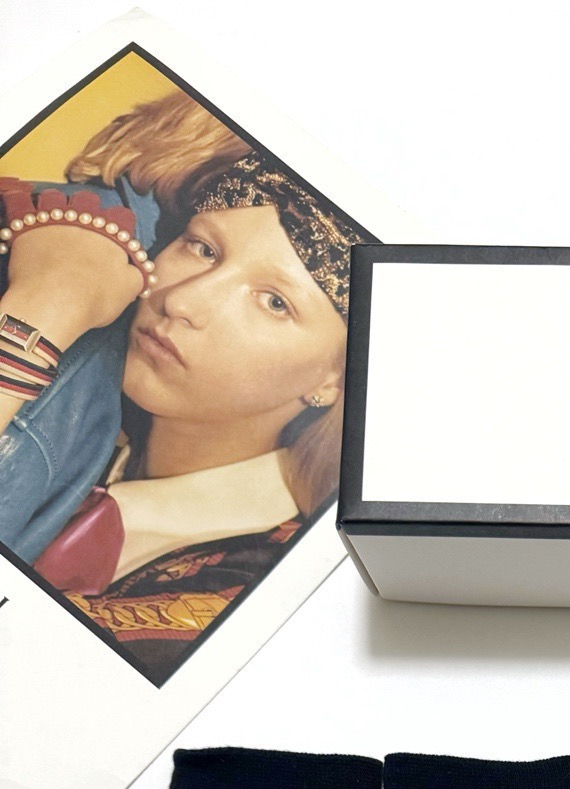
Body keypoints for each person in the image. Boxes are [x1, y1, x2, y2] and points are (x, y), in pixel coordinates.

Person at [0, 93, 362, 668]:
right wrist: (51, 297)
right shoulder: (85, 405)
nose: (184, 301)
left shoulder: (258, 590)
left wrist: (30, 330)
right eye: (203, 248)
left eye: (274, 302)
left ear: (335, 379)